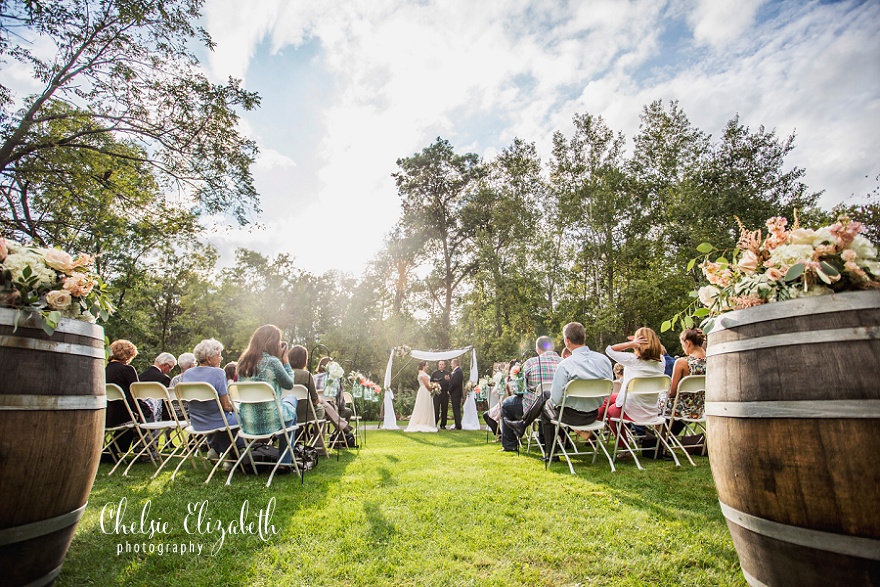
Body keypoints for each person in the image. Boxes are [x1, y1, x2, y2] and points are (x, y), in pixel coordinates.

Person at [539, 323, 613, 462]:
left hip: (572, 416)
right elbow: (609, 388)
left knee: (545, 405)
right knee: (546, 397)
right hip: (593, 414)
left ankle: (551, 455)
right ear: (584, 337)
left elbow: (556, 400)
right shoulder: (604, 360)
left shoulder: (565, 365)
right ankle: (523, 425)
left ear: (567, 340)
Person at [236, 325, 298, 465]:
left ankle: (284, 460)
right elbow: (289, 384)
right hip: (272, 422)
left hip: (248, 422)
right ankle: (285, 461)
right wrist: (286, 362)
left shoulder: (242, 363)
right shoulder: (273, 362)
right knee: (292, 401)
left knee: (288, 409)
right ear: (272, 343)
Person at [600, 327, 667, 448]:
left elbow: (609, 350)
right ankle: (592, 428)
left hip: (634, 410)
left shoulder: (632, 360)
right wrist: (649, 342)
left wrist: (631, 344)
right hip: (651, 409)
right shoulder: (661, 361)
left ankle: (624, 447)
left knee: (611, 411)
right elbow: (656, 351)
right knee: (607, 399)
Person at [180, 338, 241, 457]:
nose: (221, 358)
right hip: (217, 421)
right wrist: (239, 407)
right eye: (219, 355)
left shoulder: (188, 373)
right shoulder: (218, 373)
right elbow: (226, 406)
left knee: (226, 422)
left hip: (197, 422)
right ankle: (234, 456)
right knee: (244, 417)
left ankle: (217, 450)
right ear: (209, 358)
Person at [502, 336, 563, 451]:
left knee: (506, 404)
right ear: (553, 347)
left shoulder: (531, 363)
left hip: (533, 410)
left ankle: (509, 445)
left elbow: (520, 389)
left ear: (538, 349)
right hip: (560, 409)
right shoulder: (564, 362)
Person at [287, 345, 331, 455]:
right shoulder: (306, 375)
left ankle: (295, 442)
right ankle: (319, 446)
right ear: (304, 360)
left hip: (287, 414)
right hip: (304, 414)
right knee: (321, 409)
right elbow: (315, 400)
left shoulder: (283, 374)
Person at [662, 327, 707, 434]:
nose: (683, 348)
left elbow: (672, 393)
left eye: (683, 345)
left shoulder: (682, 362)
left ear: (688, 343)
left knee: (658, 401)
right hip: (701, 409)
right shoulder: (711, 360)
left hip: (682, 410)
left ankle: (661, 442)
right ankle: (665, 439)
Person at [104, 340, 142, 458]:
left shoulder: (103, 369)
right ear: (129, 354)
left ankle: (107, 453)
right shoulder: (127, 370)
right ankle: (146, 452)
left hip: (105, 414)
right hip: (122, 416)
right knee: (144, 416)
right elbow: (136, 394)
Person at [139, 352, 177, 447]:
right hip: (156, 415)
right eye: (170, 368)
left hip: (141, 412)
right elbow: (166, 402)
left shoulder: (140, 376)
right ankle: (165, 442)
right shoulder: (163, 379)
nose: (169, 371)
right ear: (165, 365)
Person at [405, 361, 438, 432]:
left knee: (426, 406)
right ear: (423, 366)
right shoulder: (422, 374)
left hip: (425, 391)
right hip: (425, 391)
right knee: (423, 406)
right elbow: (426, 384)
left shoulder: (423, 373)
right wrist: (432, 389)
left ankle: (426, 422)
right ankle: (423, 422)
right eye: (427, 365)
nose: (428, 366)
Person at [431, 360, 451, 429]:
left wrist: (449, 380)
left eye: (442, 364)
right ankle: (434, 423)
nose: (441, 365)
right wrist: (434, 386)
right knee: (436, 409)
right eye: (440, 364)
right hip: (436, 394)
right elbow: (431, 382)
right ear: (438, 365)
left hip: (445, 394)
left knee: (444, 409)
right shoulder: (434, 373)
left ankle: (443, 424)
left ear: (444, 365)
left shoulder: (448, 373)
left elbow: (451, 383)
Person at [447, 358, 464, 430]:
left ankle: (458, 425)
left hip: (456, 393)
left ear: (455, 364)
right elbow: (453, 381)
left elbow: (455, 383)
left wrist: (449, 391)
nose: (451, 365)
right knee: (455, 409)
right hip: (455, 393)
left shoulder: (458, 372)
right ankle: (457, 424)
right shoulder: (456, 372)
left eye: (451, 363)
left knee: (456, 409)